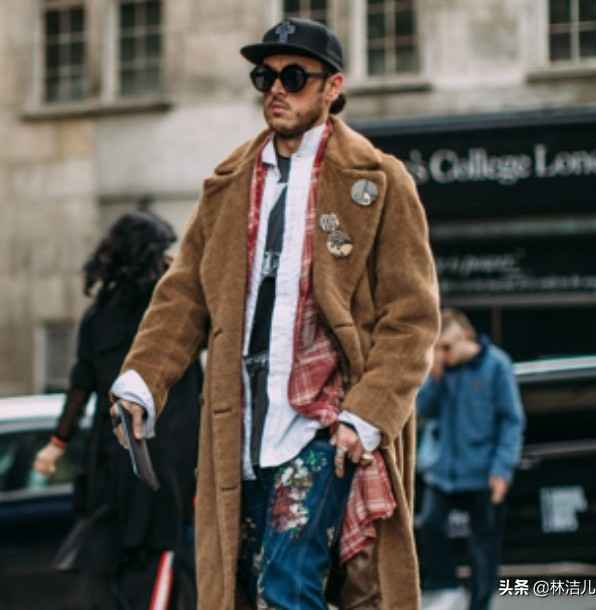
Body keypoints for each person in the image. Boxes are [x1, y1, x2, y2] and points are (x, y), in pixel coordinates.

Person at [110, 18, 440, 610]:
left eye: (294, 76)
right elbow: (184, 294)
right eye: (265, 77)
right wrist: (142, 381)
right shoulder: (229, 183)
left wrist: (366, 415)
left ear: (333, 87)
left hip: (324, 424)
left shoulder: (380, 181)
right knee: (251, 588)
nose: (276, 90)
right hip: (241, 427)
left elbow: (412, 319)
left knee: (288, 586)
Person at [34, 211, 203, 610]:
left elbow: (80, 386)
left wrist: (57, 443)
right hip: (169, 457)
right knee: (166, 556)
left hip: (111, 458)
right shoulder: (173, 310)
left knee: (118, 565)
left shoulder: (99, 314)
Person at [416, 308, 525, 610]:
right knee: (430, 526)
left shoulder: (497, 365)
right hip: (442, 471)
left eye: (447, 347)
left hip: (482, 471)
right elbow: (423, 410)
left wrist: (502, 469)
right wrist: (434, 376)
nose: (443, 354)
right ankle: (446, 585)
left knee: (483, 546)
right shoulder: (441, 370)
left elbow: (511, 421)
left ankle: (479, 603)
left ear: (466, 336)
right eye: (437, 348)